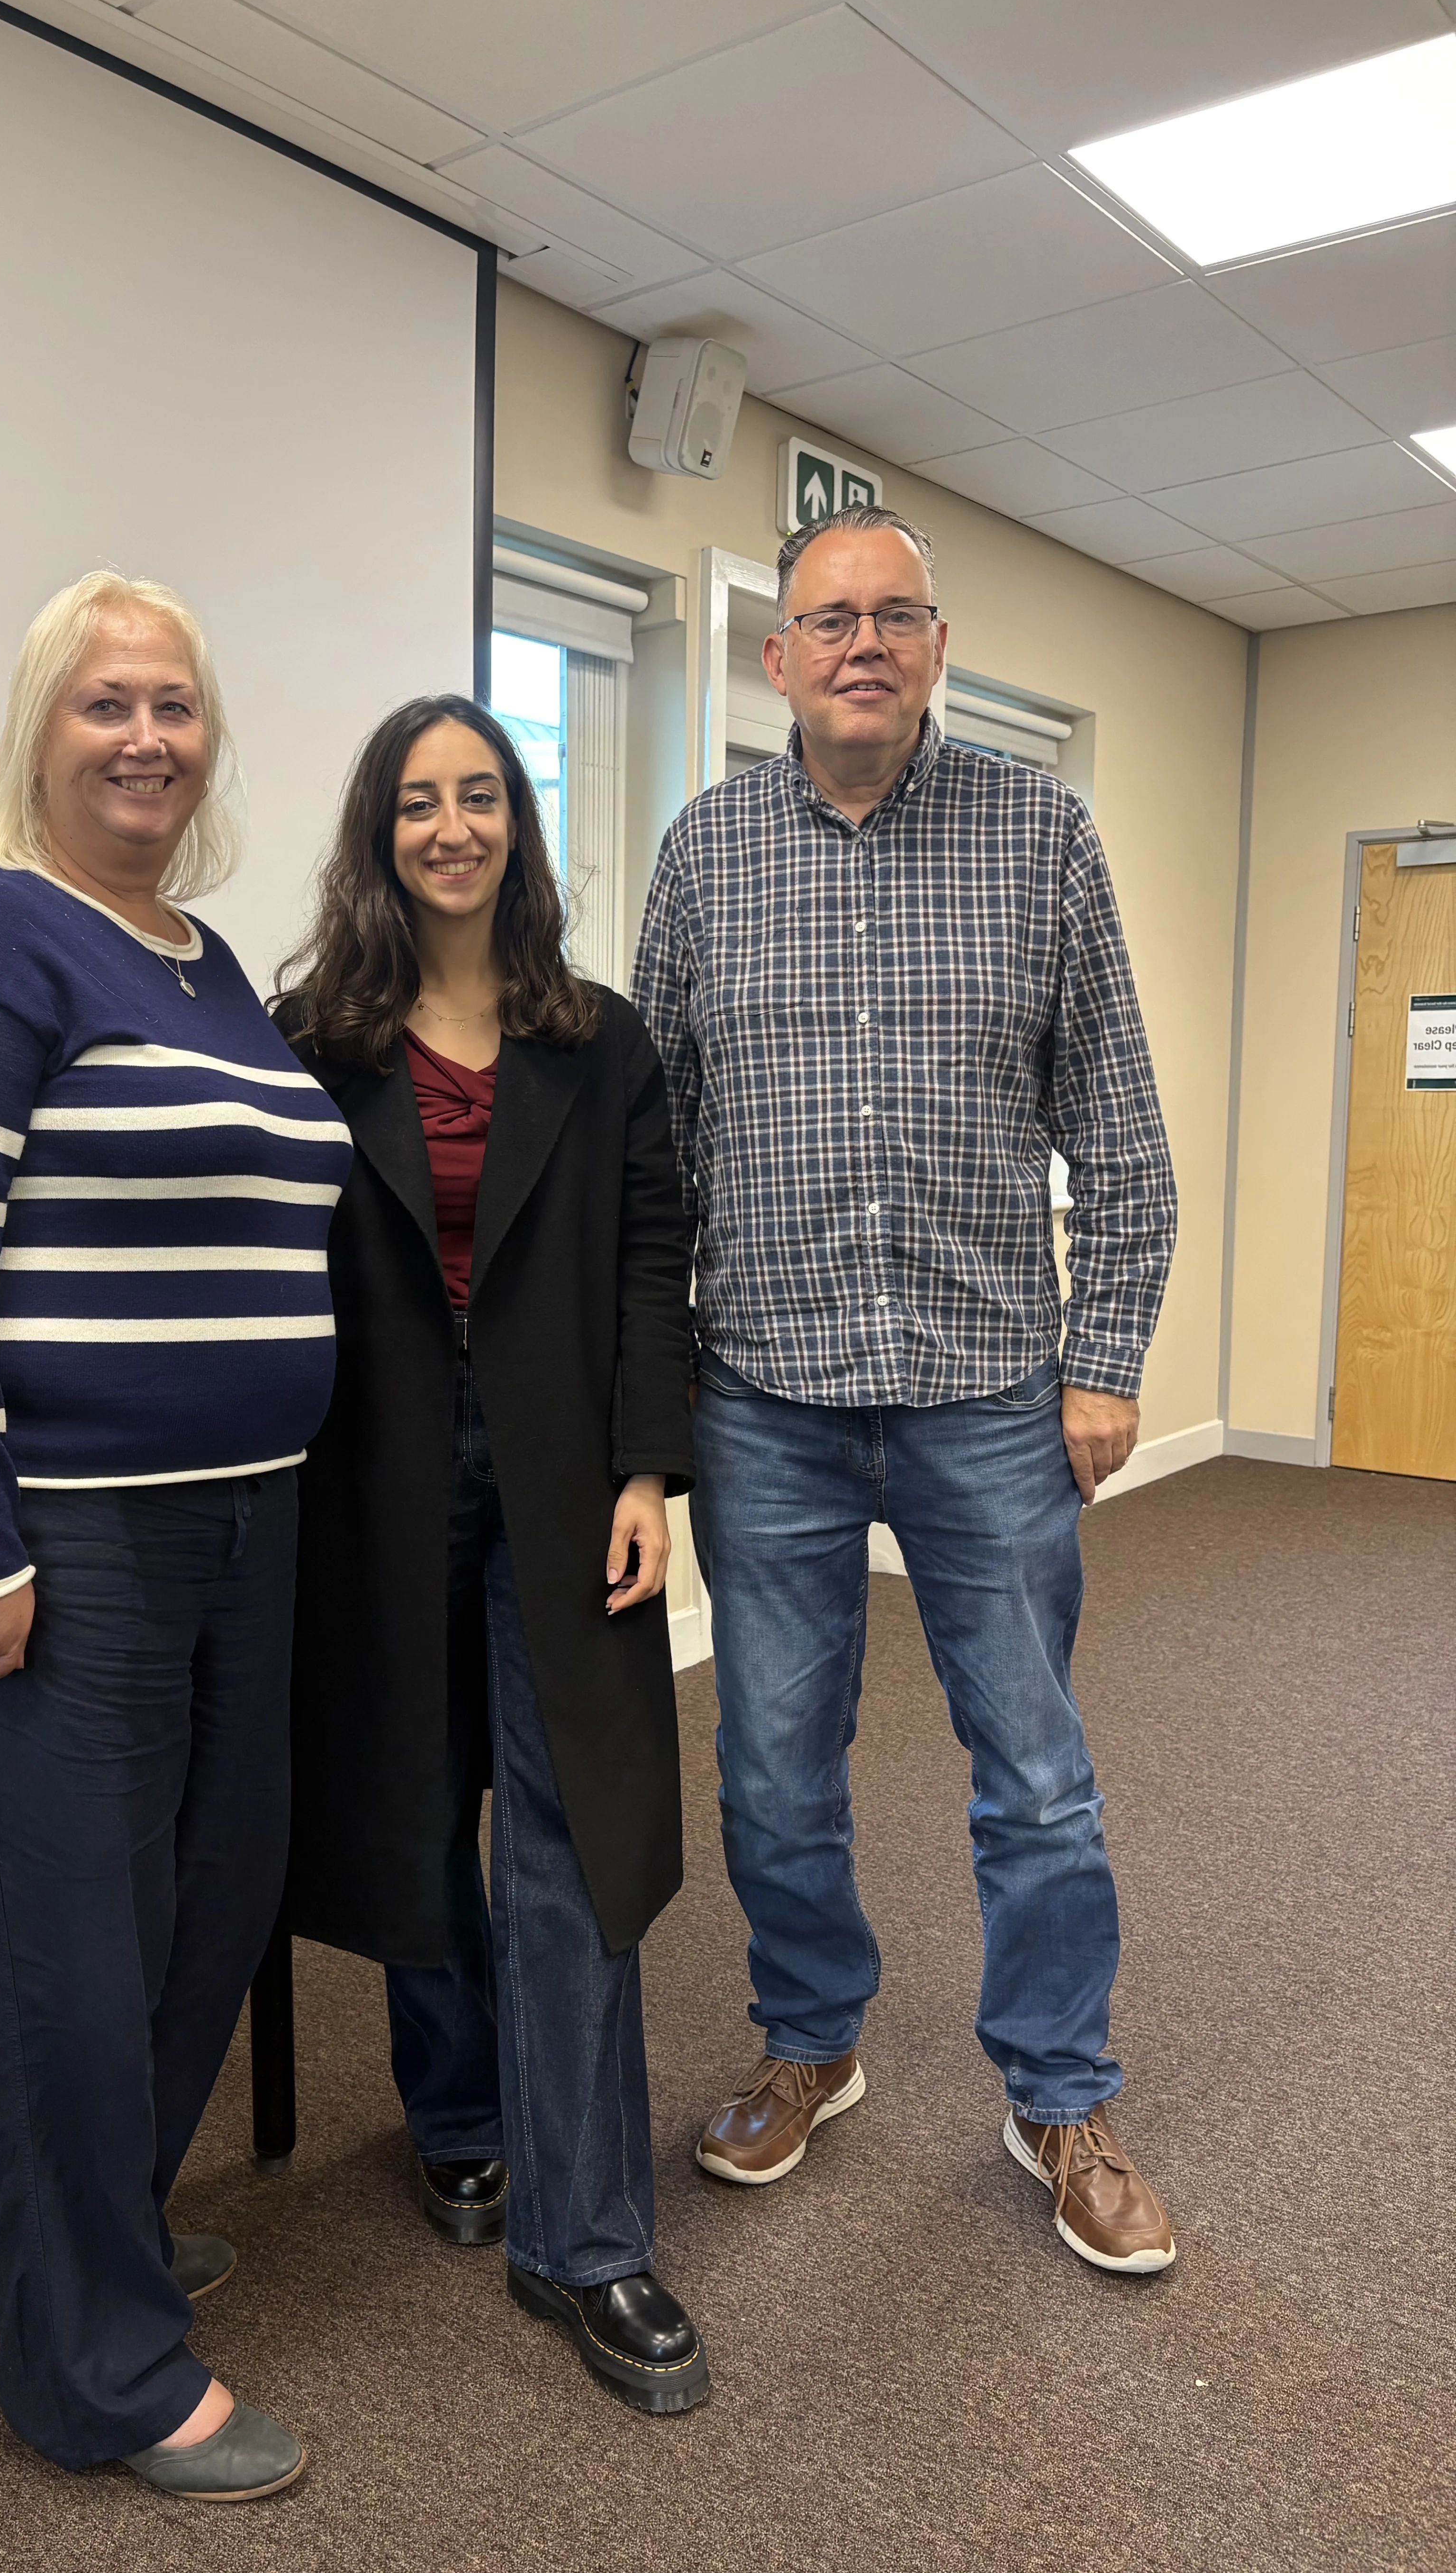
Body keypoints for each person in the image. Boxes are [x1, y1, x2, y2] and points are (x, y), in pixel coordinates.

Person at [0, 571, 350, 2501]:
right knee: (72, 1943)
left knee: (211, 1902)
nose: (147, 736)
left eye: (178, 706)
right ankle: (98, 2370)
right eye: (106, 703)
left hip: (247, 1526)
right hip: (74, 1540)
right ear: (41, 730)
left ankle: (66, 2252)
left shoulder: (202, 963)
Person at [632, 507, 1180, 2275]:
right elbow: (658, 1146)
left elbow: (1117, 1124)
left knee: (1034, 1773)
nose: (860, 644)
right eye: (825, 620)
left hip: (987, 1394)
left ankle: (1060, 2095)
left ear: (937, 646)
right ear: (775, 659)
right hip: (770, 1395)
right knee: (777, 1771)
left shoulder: (1041, 834)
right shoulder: (709, 853)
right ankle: (814, 2044)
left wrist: (1106, 1361)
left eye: (894, 616)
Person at [273, 695, 709, 2412]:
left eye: (480, 797)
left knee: (568, 1834)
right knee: (414, 1806)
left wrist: (650, 1469)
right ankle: (458, 2118)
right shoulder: (311, 1037)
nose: (451, 827)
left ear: (518, 825)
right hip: (367, 1481)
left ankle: (590, 2236)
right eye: (416, 802)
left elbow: (653, 1252)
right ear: (379, 834)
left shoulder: (597, 1039)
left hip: (561, 1479)